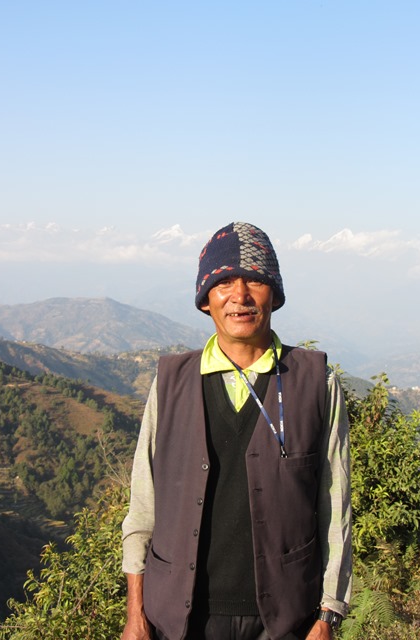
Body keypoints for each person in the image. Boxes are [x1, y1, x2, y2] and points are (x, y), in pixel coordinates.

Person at [121, 222, 352, 640]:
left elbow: (334, 508)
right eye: (225, 281)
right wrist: (135, 614)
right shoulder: (171, 383)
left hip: (285, 621)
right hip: (180, 619)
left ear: (275, 296)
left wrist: (328, 615)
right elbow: (143, 507)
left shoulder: (316, 382)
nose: (240, 296)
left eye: (256, 281)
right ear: (206, 299)